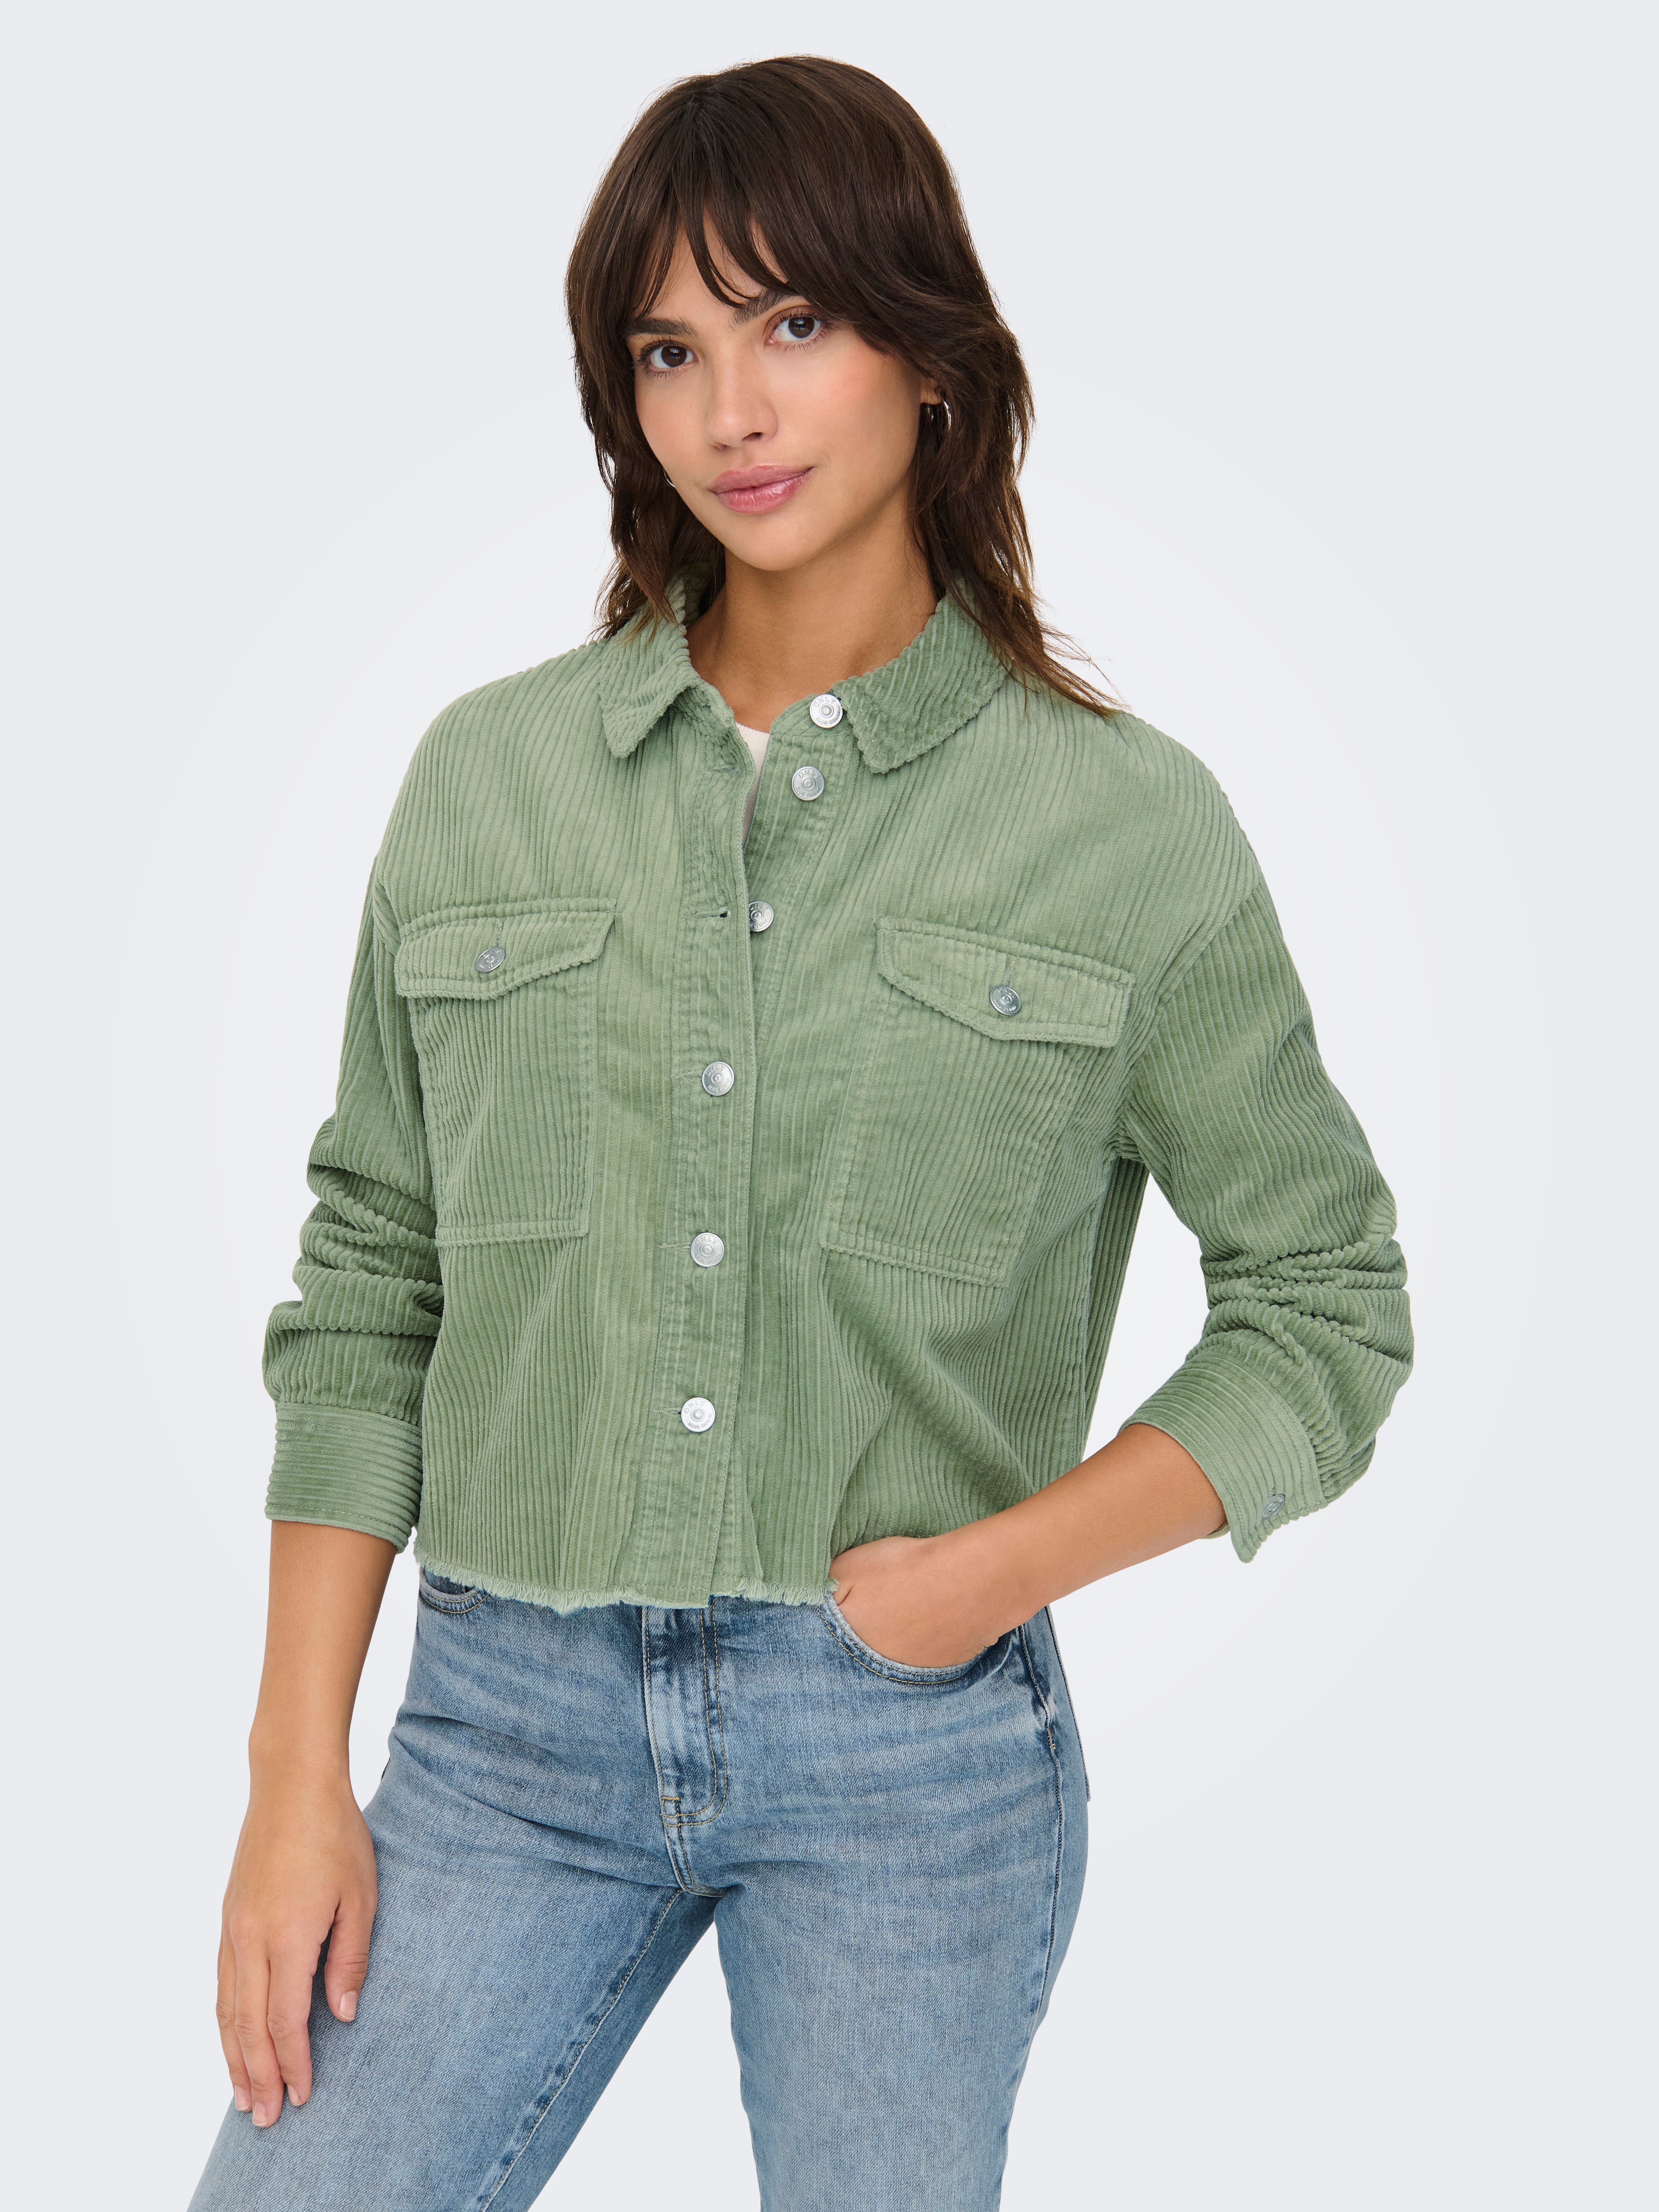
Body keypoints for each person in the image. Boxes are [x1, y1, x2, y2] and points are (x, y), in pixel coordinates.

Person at [191, 54, 1412, 2212]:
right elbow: (370, 1277)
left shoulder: (1122, 829)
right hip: (501, 1726)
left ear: (930, 356)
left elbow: (1325, 1303)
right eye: (668, 349)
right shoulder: (490, 780)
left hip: (904, 1756)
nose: (730, 411)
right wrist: (297, 1768)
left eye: (793, 323)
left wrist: (993, 1575)